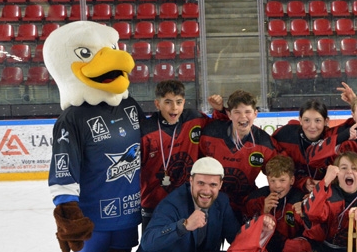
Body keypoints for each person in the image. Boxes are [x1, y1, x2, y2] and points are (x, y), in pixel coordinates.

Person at [45, 21, 145, 252]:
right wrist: (66, 209)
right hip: (93, 218)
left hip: (128, 213)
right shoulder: (72, 118)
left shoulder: (130, 106)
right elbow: (64, 167)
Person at [132, 157, 240, 252]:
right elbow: (148, 242)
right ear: (191, 181)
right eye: (201, 183)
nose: (206, 191)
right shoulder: (172, 203)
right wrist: (184, 225)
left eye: (213, 185)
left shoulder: (222, 202)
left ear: (220, 185)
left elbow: (237, 238)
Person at [139, 80, 227, 231]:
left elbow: (219, 128)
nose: (174, 107)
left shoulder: (194, 119)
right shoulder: (146, 131)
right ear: (157, 104)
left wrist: (221, 110)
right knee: (154, 249)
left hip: (189, 202)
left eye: (179, 102)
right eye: (168, 102)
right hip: (155, 204)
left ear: (184, 102)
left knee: (191, 250)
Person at [199, 90, 278, 220]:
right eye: (237, 112)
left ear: (255, 113)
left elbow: (277, 174)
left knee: (242, 239)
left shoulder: (265, 143)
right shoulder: (210, 133)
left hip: (244, 205)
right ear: (229, 114)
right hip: (212, 203)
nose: (243, 117)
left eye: (247, 112)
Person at [244, 155, 306, 252]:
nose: (277, 186)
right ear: (267, 179)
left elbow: (309, 234)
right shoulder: (256, 198)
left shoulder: (300, 200)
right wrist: (264, 211)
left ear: (292, 180)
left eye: (282, 180)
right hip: (265, 249)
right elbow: (246, 232)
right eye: (273, 180)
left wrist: (304, 214)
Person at [271, 100, 336, 193]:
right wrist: (303, 183)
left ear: (326, 121)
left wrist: (325, 184)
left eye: (317, 120)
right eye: (306, 120)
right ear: (300, 120)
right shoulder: (284, 135)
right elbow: (277, 171)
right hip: (294, 192)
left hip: (326, 192)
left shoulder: (333, 140)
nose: (312, 126)